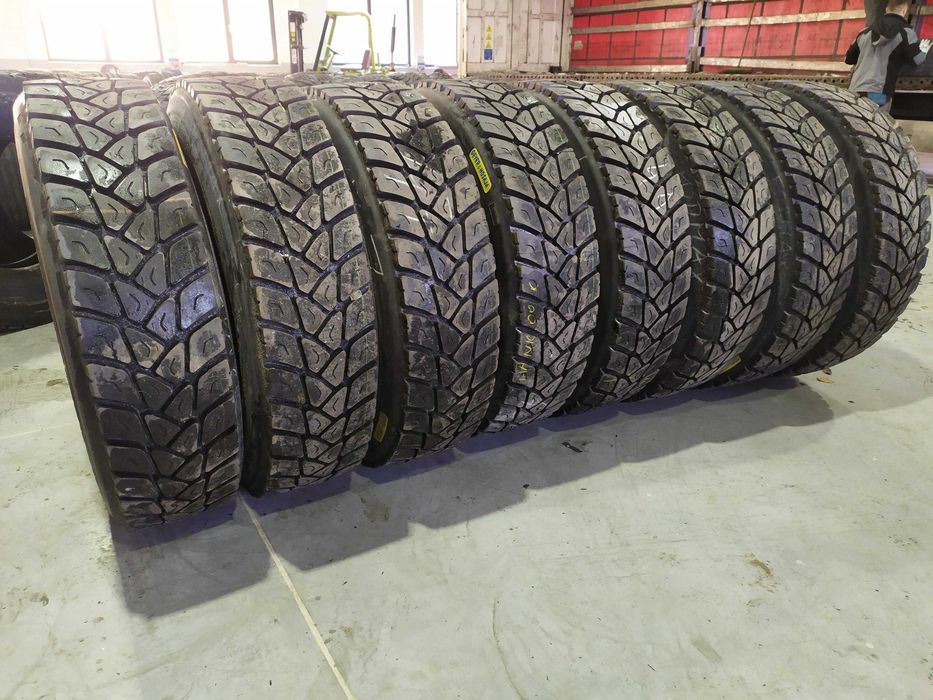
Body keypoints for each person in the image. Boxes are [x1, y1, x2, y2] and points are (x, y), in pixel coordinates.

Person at [845, 0, 932, 112]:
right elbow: (916, 60)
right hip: (879, 93)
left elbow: (848, 59)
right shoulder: (906, 32)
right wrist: (923, 51)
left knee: (853, 120)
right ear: (904, 10)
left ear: (886, 10)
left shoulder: (864, 32)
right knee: (878, 121)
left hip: (855, 90)